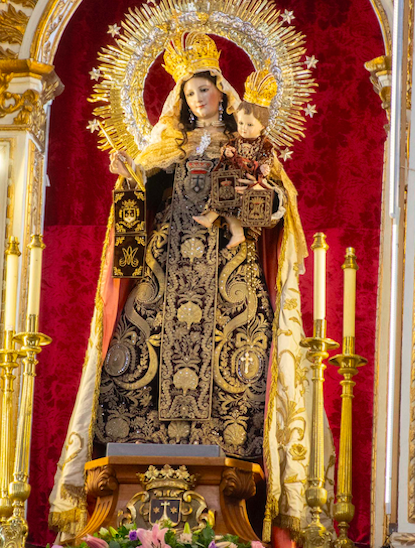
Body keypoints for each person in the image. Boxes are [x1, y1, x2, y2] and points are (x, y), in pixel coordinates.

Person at [49, 32, 314, 545]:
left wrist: (256, 198)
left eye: (204, 90)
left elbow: (280, 206)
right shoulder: (163, 144)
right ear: (181, 98)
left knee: (241, 359)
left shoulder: (248, 143)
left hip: (226, 271)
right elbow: (135, 208)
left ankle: (229, 473)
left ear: (221, 91)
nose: (198, 99)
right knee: (130, 352)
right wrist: (129, 179)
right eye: (188, 92)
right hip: (166, 265)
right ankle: (134, 473)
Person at [192, 97, 277, 248]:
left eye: (249, 124)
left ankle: (224, 225)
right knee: (226, 202)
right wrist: (227, 153)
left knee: (232, 202)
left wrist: (264, 167)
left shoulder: (264, 144)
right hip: (231, 178)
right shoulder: (235, 141)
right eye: (241, 123)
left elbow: (267, 158)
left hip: (248, 180)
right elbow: (225, 151)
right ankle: (228, 228)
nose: (244, 128)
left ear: (262, 125)